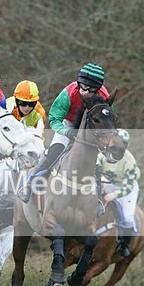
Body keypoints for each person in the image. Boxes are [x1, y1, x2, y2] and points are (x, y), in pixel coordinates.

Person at [18, 63, 110, 202]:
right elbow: (54, 119)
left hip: (88, 128)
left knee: (96, 162)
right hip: (67, 123)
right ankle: (30, 183)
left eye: (90, 90)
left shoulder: (104, 97)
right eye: (82, 87)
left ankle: (97, 199)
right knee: (55, 150)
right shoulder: (69, 92)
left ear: (98, 90)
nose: (84, 92)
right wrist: (66, 132)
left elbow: (105, 122)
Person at [95, 128, 140, 257]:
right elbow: (96, 170)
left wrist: (111, 196)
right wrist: (101, 184)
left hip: (126, 188)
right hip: (108, 183)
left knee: (127, 217)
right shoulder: (102, 154)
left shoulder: (129, 161)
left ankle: (124, 245)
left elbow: (127, 187)